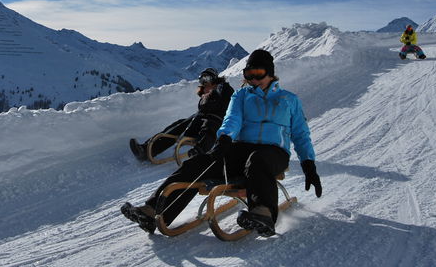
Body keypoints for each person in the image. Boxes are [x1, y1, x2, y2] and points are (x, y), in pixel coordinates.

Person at [121, 49, 322, 237]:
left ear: (270, 72)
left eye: (258, 73)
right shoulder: (241, 95)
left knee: (258, 159)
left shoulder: (289, 99)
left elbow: (301, 134)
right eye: (249, 74)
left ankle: (263, 213)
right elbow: (231, 119)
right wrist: (225, 137)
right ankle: (153, 211)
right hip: (242, 148)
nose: (253, 79)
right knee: (197, 164)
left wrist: (308, 165)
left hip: (273, 152)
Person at [128, 68, 234, 161]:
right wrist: (206, 97)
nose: (205, 82)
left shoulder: (225, 89)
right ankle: (146, 150)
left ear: (215, 79)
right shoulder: (205, 94)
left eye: (207, 79)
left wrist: (212, 95)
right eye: (202, 80)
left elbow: (226, 106)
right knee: (178, 125)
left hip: (217, 121)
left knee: (210, 125)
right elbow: (201, 109)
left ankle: (201, 151)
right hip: (198, 120)